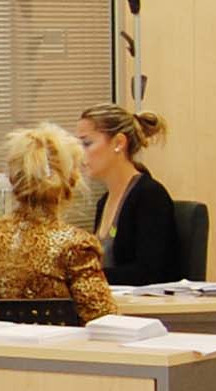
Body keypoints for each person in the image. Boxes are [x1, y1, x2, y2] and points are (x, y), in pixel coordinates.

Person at [0, 124, 120, 323]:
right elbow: (106, 323)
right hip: (54, 344)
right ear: (72, 181)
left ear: (12, 180)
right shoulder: (75, 246)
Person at [77, 103, 182, 286]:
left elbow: (147, 273)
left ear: (119, 143)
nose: (80, 154)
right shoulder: (103, 201)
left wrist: (85, 276)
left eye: (87, 144)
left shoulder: (149, 196)